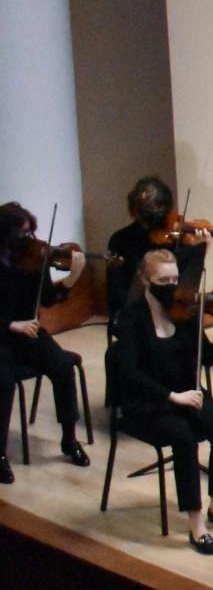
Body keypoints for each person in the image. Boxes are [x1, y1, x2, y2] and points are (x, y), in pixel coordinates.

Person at [107, 250, 213, 552]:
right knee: (184, 439)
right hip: (147, 401)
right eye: (162, 280)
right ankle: (196, 524)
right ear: (145, 280)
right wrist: (172, 397)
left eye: (174, 279)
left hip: (186, 392)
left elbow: (205, 359)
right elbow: (129, 373)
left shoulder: (184, 312)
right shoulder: (130, 319)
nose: (171, 286)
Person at [0, 202, 91, 477]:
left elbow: (49, 299)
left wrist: (73, 277)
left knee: (63, 367)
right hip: (2, 336)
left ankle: (69, 439)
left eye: (30, 233)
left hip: (30, 332)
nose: (29, 240)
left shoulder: (34, 259)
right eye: (21, 235)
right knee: (3, 383)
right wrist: (11, 325)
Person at [106, 175, 182, 309]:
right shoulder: (120, 239)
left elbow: (182, 281)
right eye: (147, 210)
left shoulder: (173, 238)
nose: (153, 215)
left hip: (170, 307)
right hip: (135, 309)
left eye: (156, 209)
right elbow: (116, 289)